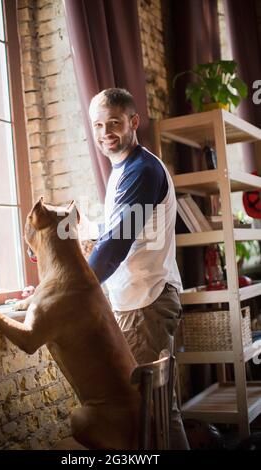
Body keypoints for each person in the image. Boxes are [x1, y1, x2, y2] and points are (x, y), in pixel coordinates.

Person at [85, 88, 189, 450]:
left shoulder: (141, 170)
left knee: (156, 410)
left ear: (133, 121)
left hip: (145, 301)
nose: (105, 132)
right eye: (98, 124)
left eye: (114, 122)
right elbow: (117, 232)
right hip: (139, 298)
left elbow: (116, 245)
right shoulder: (123, 170)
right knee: (154, 409)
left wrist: (75, 285)